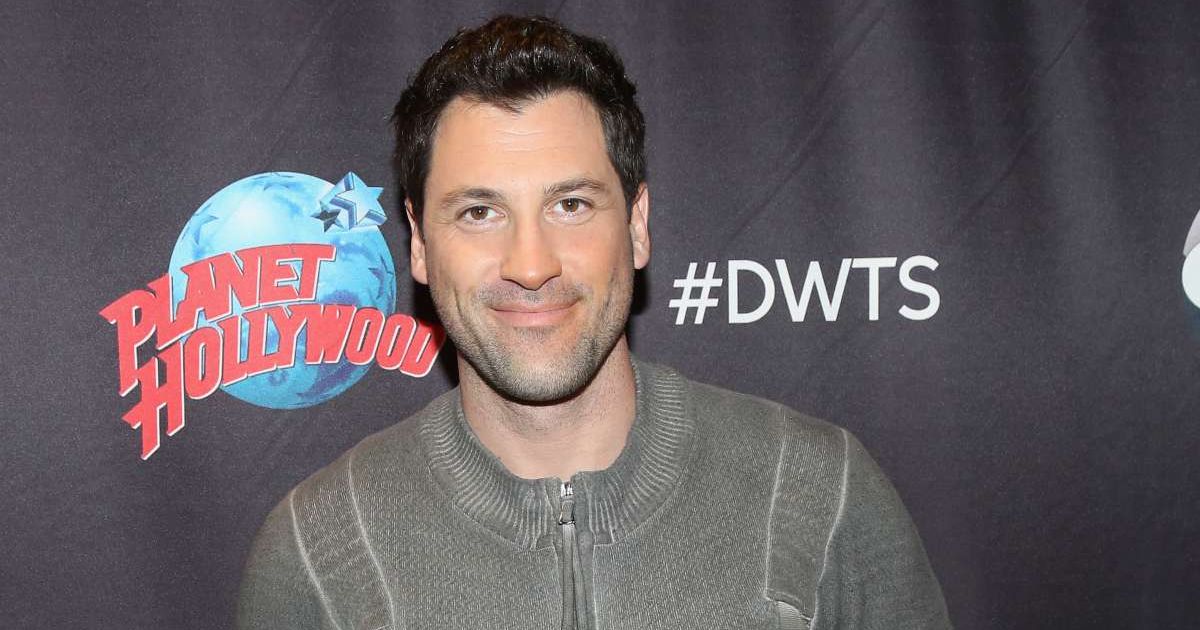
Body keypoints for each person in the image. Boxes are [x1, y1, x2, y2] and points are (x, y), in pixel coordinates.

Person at [237, 14, 951, 630]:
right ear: (420, 245)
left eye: (571, 205)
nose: (530, 262)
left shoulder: (818, 492)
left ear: (637, 225)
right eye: (479, 212)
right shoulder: (318, 550)